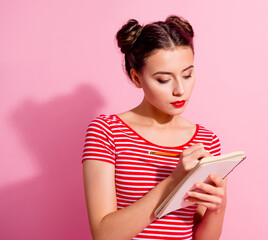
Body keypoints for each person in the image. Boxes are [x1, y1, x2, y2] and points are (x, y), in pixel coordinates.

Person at [82, 15, 227, 240]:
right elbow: (104, 235)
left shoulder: (206, 141)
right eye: (163, 79)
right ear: (137, 78)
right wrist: (173, 180)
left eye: (187, 74)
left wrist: (218, 208)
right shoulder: (106, 131)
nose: (180, 90)